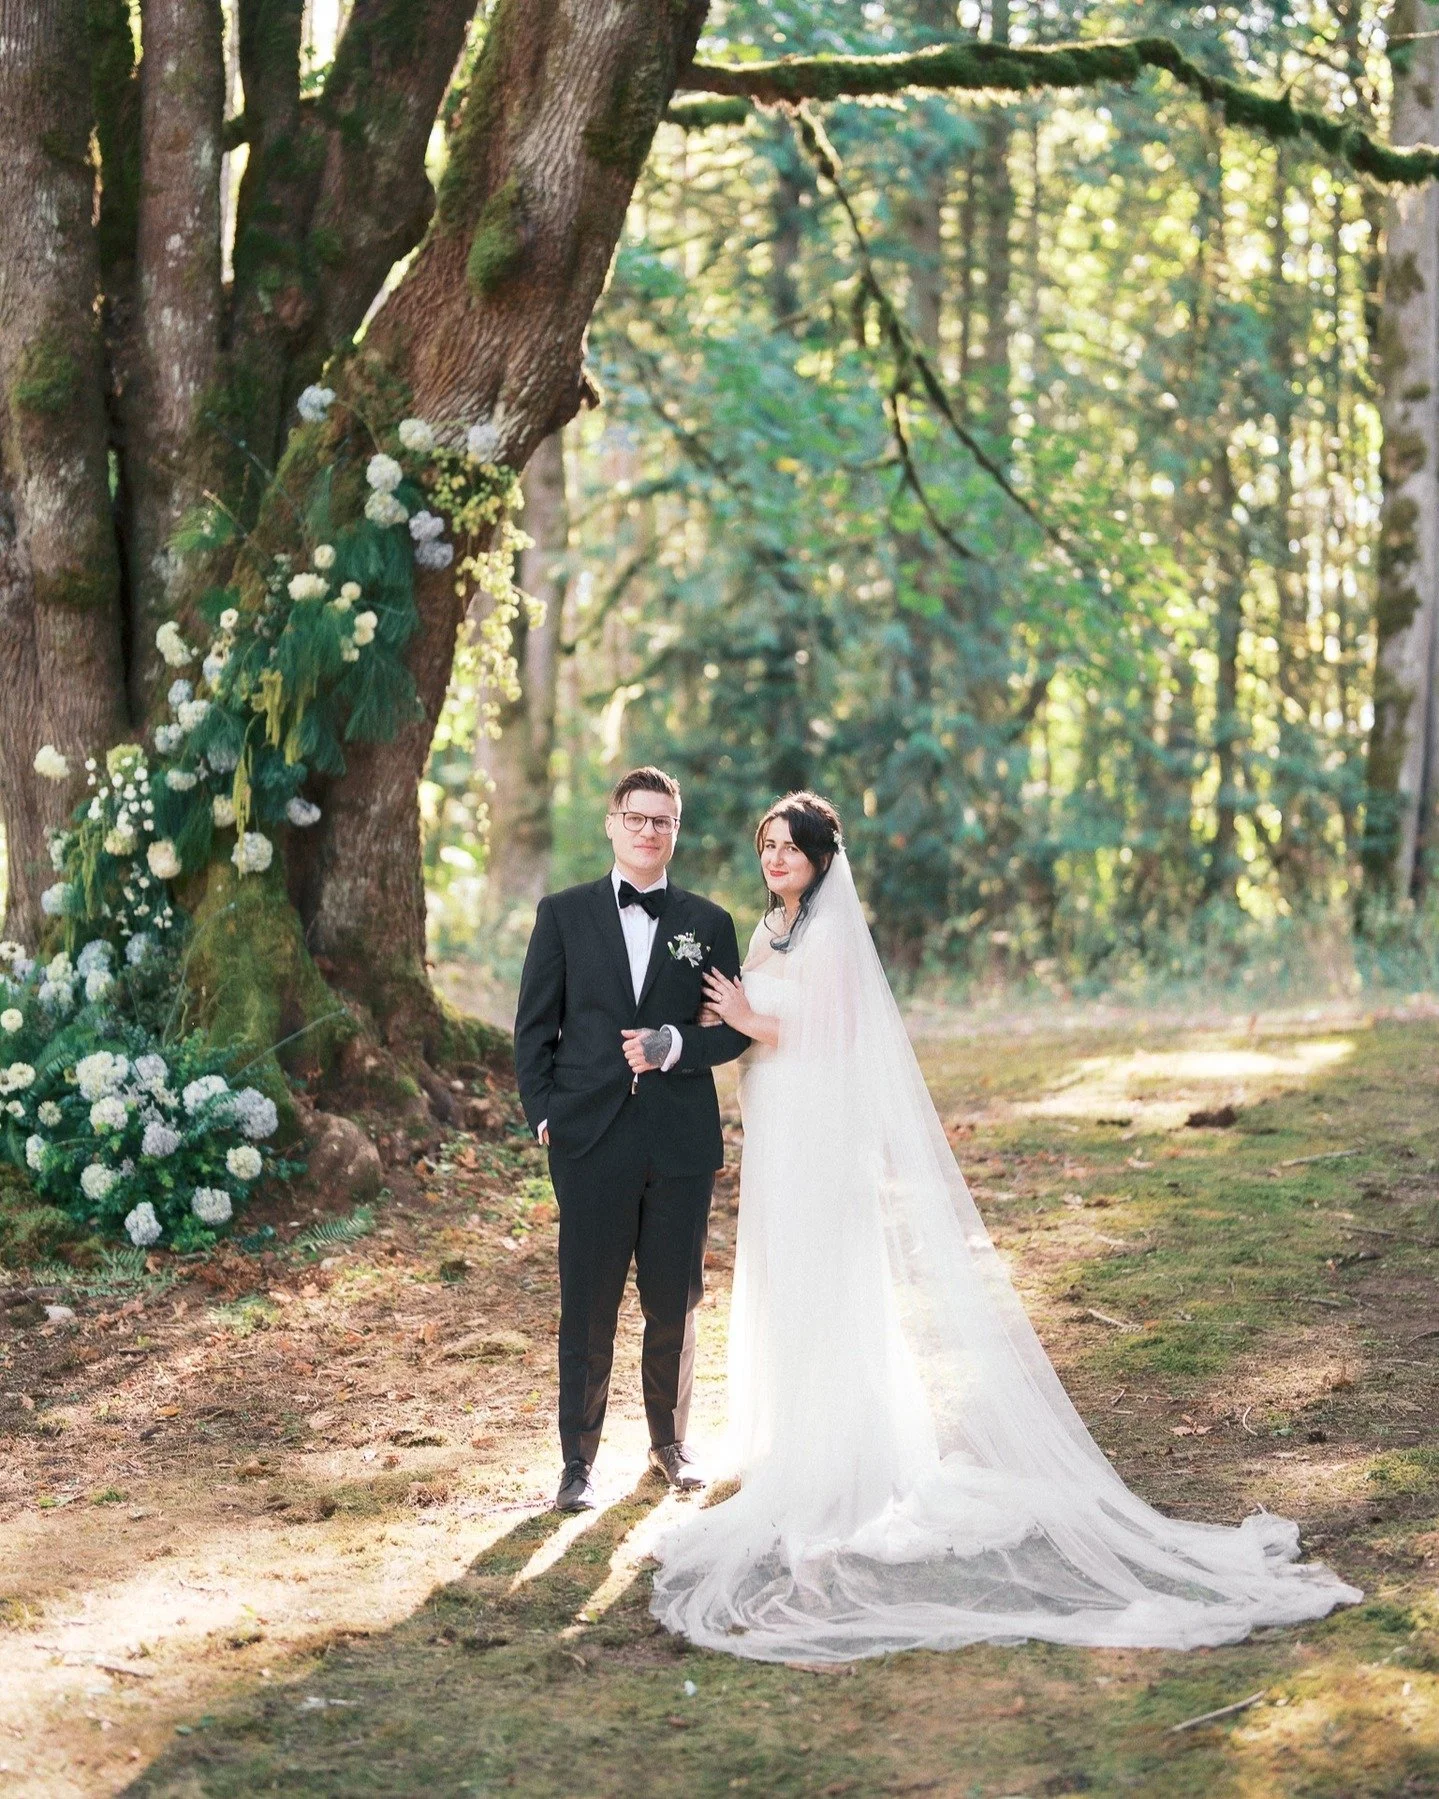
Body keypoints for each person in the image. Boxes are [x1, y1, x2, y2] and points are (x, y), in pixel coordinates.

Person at [648, 791, 1362, 1662]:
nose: (773, 858)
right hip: (775, 1124)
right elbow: (736, 1026)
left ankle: (845, 1454)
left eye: (788, 846)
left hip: (819, 1126)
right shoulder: (767, 933)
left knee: (829, 1274)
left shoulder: (832, 936)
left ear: (820, 858)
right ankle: (788, 1438)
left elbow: (830, 1034)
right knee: (785, 1273)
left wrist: (746, 1016)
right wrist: (716, 1020)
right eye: (765, 844)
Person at [513, 767, 750, 1513]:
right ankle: (577, 1463)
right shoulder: (562, 914)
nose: (649, 831)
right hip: (588, 1138)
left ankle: (669, 1443)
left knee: (674, 1300)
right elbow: (533, 1027)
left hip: (678, 1141)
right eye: (637, 818)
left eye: (663, 821)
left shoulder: (708, 922)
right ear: (612, 823)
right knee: (587, 1306)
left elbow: (733, 1032)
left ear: (677, 830)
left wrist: (675, 1042)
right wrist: (544, 1114)